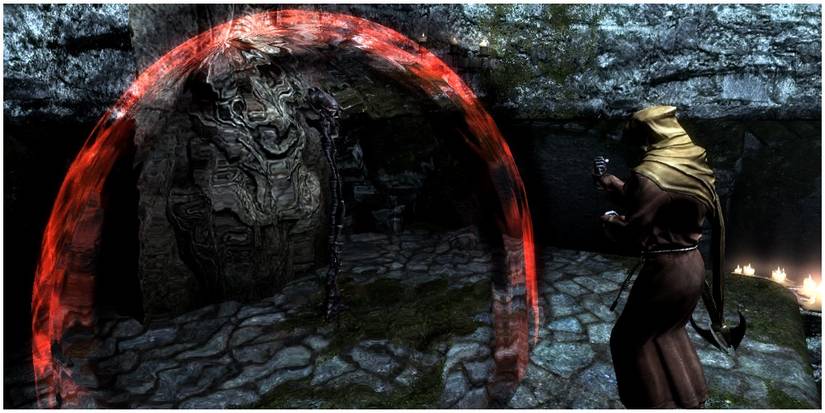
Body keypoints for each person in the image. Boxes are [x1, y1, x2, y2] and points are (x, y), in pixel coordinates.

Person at [593, 105, 723, 408]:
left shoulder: (649, 174)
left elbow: (634, 230)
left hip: (665, 271)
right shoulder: (691, 165)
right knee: (668, 332)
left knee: (630, 340)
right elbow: (661, 202)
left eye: (640, 139)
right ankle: (690, 399)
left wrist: (610, 220)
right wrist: (612, 183)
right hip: (691, 265)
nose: (639, 147)